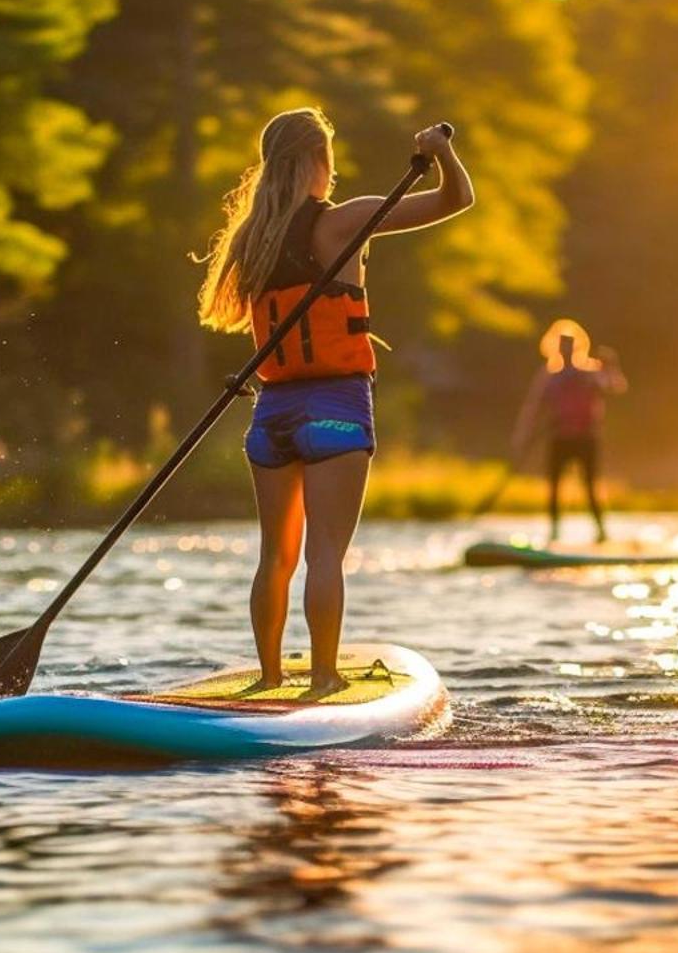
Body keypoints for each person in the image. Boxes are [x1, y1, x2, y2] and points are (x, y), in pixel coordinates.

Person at [197, 109, 472, 695]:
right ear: (319, 161)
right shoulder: (343, 221)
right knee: (325, 555)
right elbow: (457, 199)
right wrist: (440, 153)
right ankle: (323, 677)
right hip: (336, 409)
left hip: (271, 415)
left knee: (275, 557)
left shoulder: (251, 238)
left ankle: (270, 676)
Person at [513, 319, 626, 544]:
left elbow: (615, 386)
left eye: (570, 344)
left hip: (586, 438)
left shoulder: (591, 371)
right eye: (562, 344)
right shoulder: (550, 376)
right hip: (560, 438)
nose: (565, 349)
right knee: (554, 488)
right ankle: (554, 533)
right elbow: (533, 407)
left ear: (576, 346)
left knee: (590, 487)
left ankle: (601, 532)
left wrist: (612, 367)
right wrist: (523, 434)